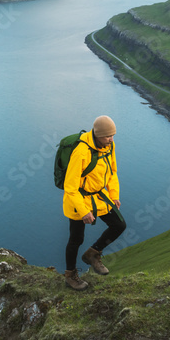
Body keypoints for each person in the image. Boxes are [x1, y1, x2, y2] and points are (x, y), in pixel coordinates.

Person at [63, 115, 127, 290]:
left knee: (119, 225)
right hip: (78, 199)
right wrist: (83, 211)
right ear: (98, 135)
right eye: (108, 136)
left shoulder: (109, 146)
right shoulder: (81, 152)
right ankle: (70, 275)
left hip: (99, 196)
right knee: (76, 239)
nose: (111, 139)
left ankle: (93, 253)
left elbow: (112, 172)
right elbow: (70, 187)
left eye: (113, 136)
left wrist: (114, 195)